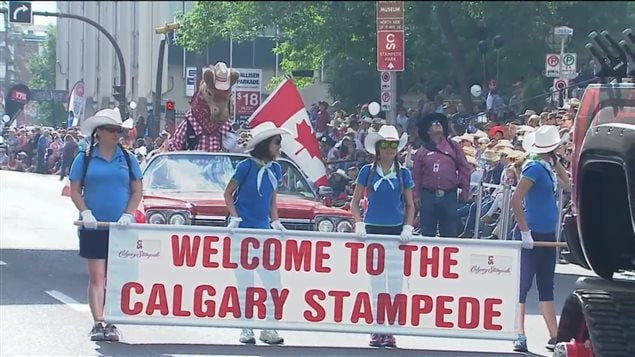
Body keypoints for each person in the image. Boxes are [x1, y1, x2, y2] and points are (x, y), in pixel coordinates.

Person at [69, 108, 143, 342]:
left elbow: (137, 190)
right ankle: (98, 321)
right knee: (97, 276)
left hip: (120, 227)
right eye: (111, 130)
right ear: (98, 132)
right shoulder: (85, 157)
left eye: (119, 130)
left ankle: (111, 321)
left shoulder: (128, 158)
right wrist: (85, 212)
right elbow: (74, 189)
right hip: (95, 226)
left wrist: (128, 214)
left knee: (115, 276)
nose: (116, 134)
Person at [223, 121, 291, 345]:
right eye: (276, 142)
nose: (279, 146)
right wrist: (234, 217)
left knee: (272, 280)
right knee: (245, 282)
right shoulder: (246, 166)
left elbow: (272, 196)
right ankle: (246, 328)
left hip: (263, 232)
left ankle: (269, 327)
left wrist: (276, 220)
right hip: (243, 231)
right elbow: (228, 193)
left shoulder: (276, 169)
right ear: (264, 145)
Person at [350, 125, 416, 348]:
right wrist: (359, 223)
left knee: (395, 282)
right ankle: (377, 327)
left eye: (393, 145)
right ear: (378, 148)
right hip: (373, 230)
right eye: (385, 145)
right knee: (377, 282)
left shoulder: (403, 173)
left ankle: (391, 329)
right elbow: (354, 202)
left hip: (395, 233)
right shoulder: (367, 171)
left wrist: (407, 227)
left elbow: (410, 205)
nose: (389, 149)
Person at [510, 125, 570, 352]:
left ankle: (554, 335)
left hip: (546, 233)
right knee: (523, 285)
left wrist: (557, 163)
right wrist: (525, 231)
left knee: (546, 285)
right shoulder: (534, 168)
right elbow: (516, 200)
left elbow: (567, 184)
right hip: (531, 232)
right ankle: (519, 333)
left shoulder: (548, 168)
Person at [413, 113, 471, 237]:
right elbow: (416, 176)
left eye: (439, 123)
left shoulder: (453, 146)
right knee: (428, 231)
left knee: (449, 231)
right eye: (433, 124)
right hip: (428, 195)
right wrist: (416, 195)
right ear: (428, 131)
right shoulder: (422, 151)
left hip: (449, 195)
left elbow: (464, 168)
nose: (437, 124)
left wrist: (465, 189)